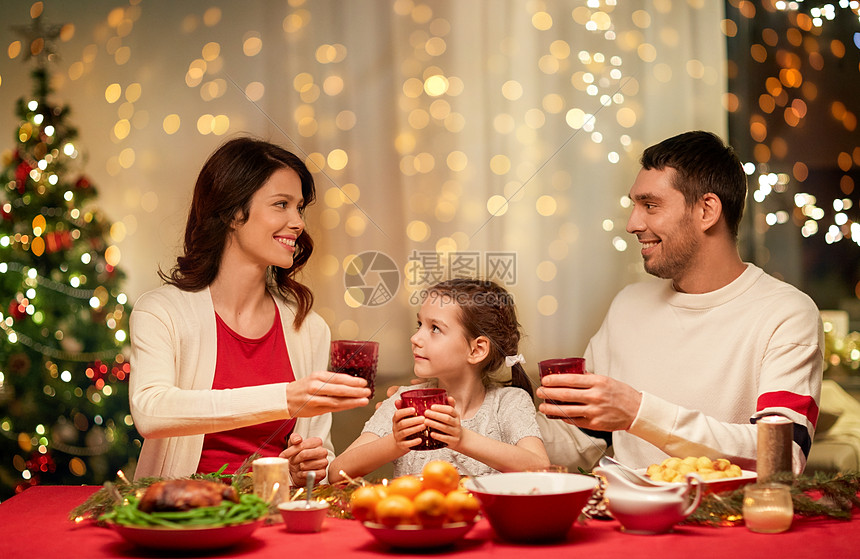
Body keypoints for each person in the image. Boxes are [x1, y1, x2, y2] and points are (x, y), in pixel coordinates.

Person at [537, 131, 823, 474]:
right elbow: (580, 441)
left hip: (727, 522)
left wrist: (638, 412)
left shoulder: (786, 313)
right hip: (626, 521)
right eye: (635, 206)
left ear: (707, 210)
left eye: (650, 205)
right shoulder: (628, 305)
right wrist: (481, 414)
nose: (633, 224)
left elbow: (781, 456)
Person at [129, 137, 371, 485]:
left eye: (299, 207)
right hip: (183, 514)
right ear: (232, 213)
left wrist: (306, 468)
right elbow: (151, 412)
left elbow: (320, 460)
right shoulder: (161, 312)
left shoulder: (309, 328)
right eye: (281, 204)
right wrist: (285, 398)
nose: (298, 222)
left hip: (274, 514)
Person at [329, 279, 550, 480]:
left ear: (477, 349)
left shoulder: (508, 402)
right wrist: (395, 442)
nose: (415, 338)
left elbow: (540, 468)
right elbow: (337, 472)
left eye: (435, 328)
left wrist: (462, 439)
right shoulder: (402, 401)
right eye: (419, 325)